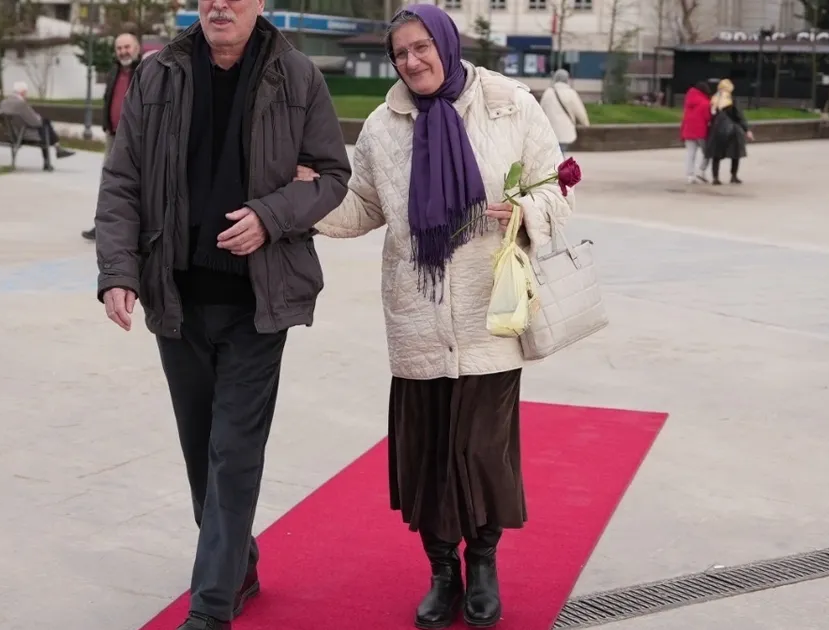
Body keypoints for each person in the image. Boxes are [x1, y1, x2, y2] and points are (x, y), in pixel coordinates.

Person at [309, 5, 571, 628]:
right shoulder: (384, 124)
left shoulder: (509, 104)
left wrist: (527, 212)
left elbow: (555, 186)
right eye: (400, 53)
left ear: (447, 45)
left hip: (490, 313)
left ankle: (482, 565)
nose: (411, 61)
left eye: (421, 47)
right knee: (426, 455)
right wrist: (305, 199)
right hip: (417, 317)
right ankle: (442, 572)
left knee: (480, 451)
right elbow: (363, 205)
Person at [92, 0, 351, 627]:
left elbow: (333, 176)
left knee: (233, 454)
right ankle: (238, 564)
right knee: (199, 454)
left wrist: (271, 215)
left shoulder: (297, 76)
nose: (219, 5)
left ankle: (210, 607)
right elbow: (123, 179)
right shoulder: (159, 73)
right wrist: (118, 272)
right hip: (177, 298)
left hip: (257, 303)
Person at [82, 31, 141, 241]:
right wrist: (107, 124)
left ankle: (135, 228)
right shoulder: (113, 71)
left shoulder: (145, 71)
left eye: (127, 47)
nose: (123, 52)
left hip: (136, 138)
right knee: (108, 182)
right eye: (119, 48)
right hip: (113, 135)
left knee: (135, 183)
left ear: (136, 49)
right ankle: (103, 225)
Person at [0, 82, 74, 171]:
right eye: (26, 92)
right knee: (45, 124)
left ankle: (57, 148)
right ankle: (55, 151)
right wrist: (39, 118)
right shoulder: (21, 104)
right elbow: (36, 122)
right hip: (22, 135)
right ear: (23, 92)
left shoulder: (4, 102)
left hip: (9, 133)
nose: (26, 94)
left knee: (45, 125)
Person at [705, 78, 752, 186]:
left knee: (716, 155)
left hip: (716, 131)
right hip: (732, 131)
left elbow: (710, 116)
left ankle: (715, 178)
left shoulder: (713, 100)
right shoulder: (731, 101)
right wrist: (746, 129)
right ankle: (733, 176)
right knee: (735, 153)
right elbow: (739, 117)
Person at [538, 68, 589, 152]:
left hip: (550, 131)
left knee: (555, 154)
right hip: (566, 131)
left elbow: (540, 112)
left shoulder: (548, 93)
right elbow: (579, 111)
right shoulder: (571, 93)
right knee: (561, 152)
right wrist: (585, 123)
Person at [679, 81, 712, 184]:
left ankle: (690, 175)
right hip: (701, 132)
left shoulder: (688, 101)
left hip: (688, 130)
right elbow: (708, 117)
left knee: (691, 154)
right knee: (707, 152)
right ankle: (702, 171)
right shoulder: (705, 102)